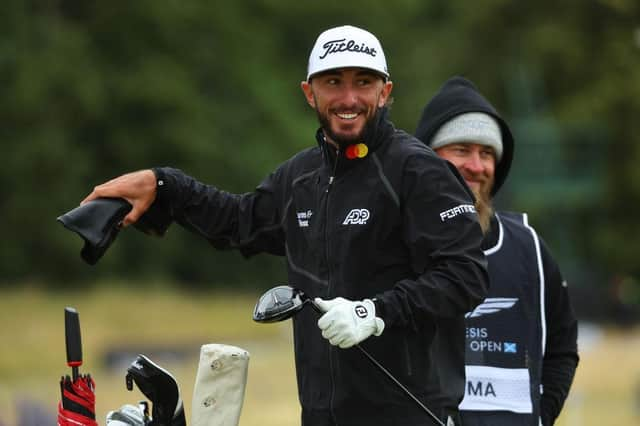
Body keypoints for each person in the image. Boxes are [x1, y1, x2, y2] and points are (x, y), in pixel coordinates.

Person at [82, 26, 489, 426]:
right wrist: (164, 184)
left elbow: (465, 275)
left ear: (384, 92)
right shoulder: (299, 177)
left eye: (363, 82)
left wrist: (375, 312)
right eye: (333, 82)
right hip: (319, 414)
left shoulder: (419, 171)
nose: (349, 98)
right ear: (310, 92)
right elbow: (238, 222)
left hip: (411, 414)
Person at [415, 76, 579, 426]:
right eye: (461, 149)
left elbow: (562, 348)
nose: (477, 165)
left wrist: (541, 415)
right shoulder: (397, 243)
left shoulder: (529, 247)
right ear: (427, 157)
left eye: (487, 152)